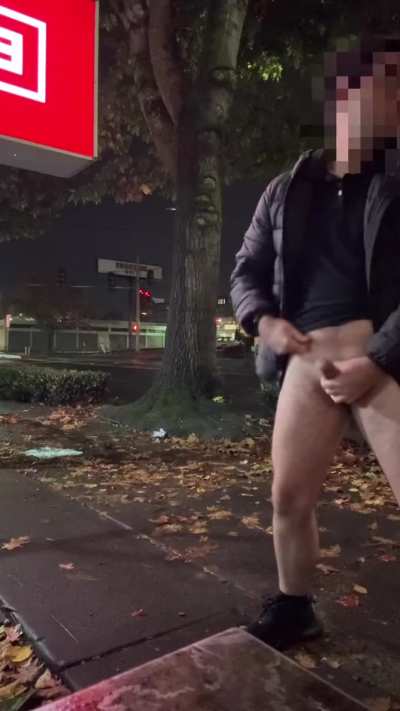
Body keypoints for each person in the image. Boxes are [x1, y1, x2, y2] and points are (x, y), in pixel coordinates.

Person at [230, 37, 400, 651]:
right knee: (288, 498)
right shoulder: (286, 189)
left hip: (385, 360)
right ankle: (294, 608)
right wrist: (263, 323)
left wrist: (379, 357)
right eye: (390, 81)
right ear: (346, 93)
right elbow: (246, 272)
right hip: (305, 361)